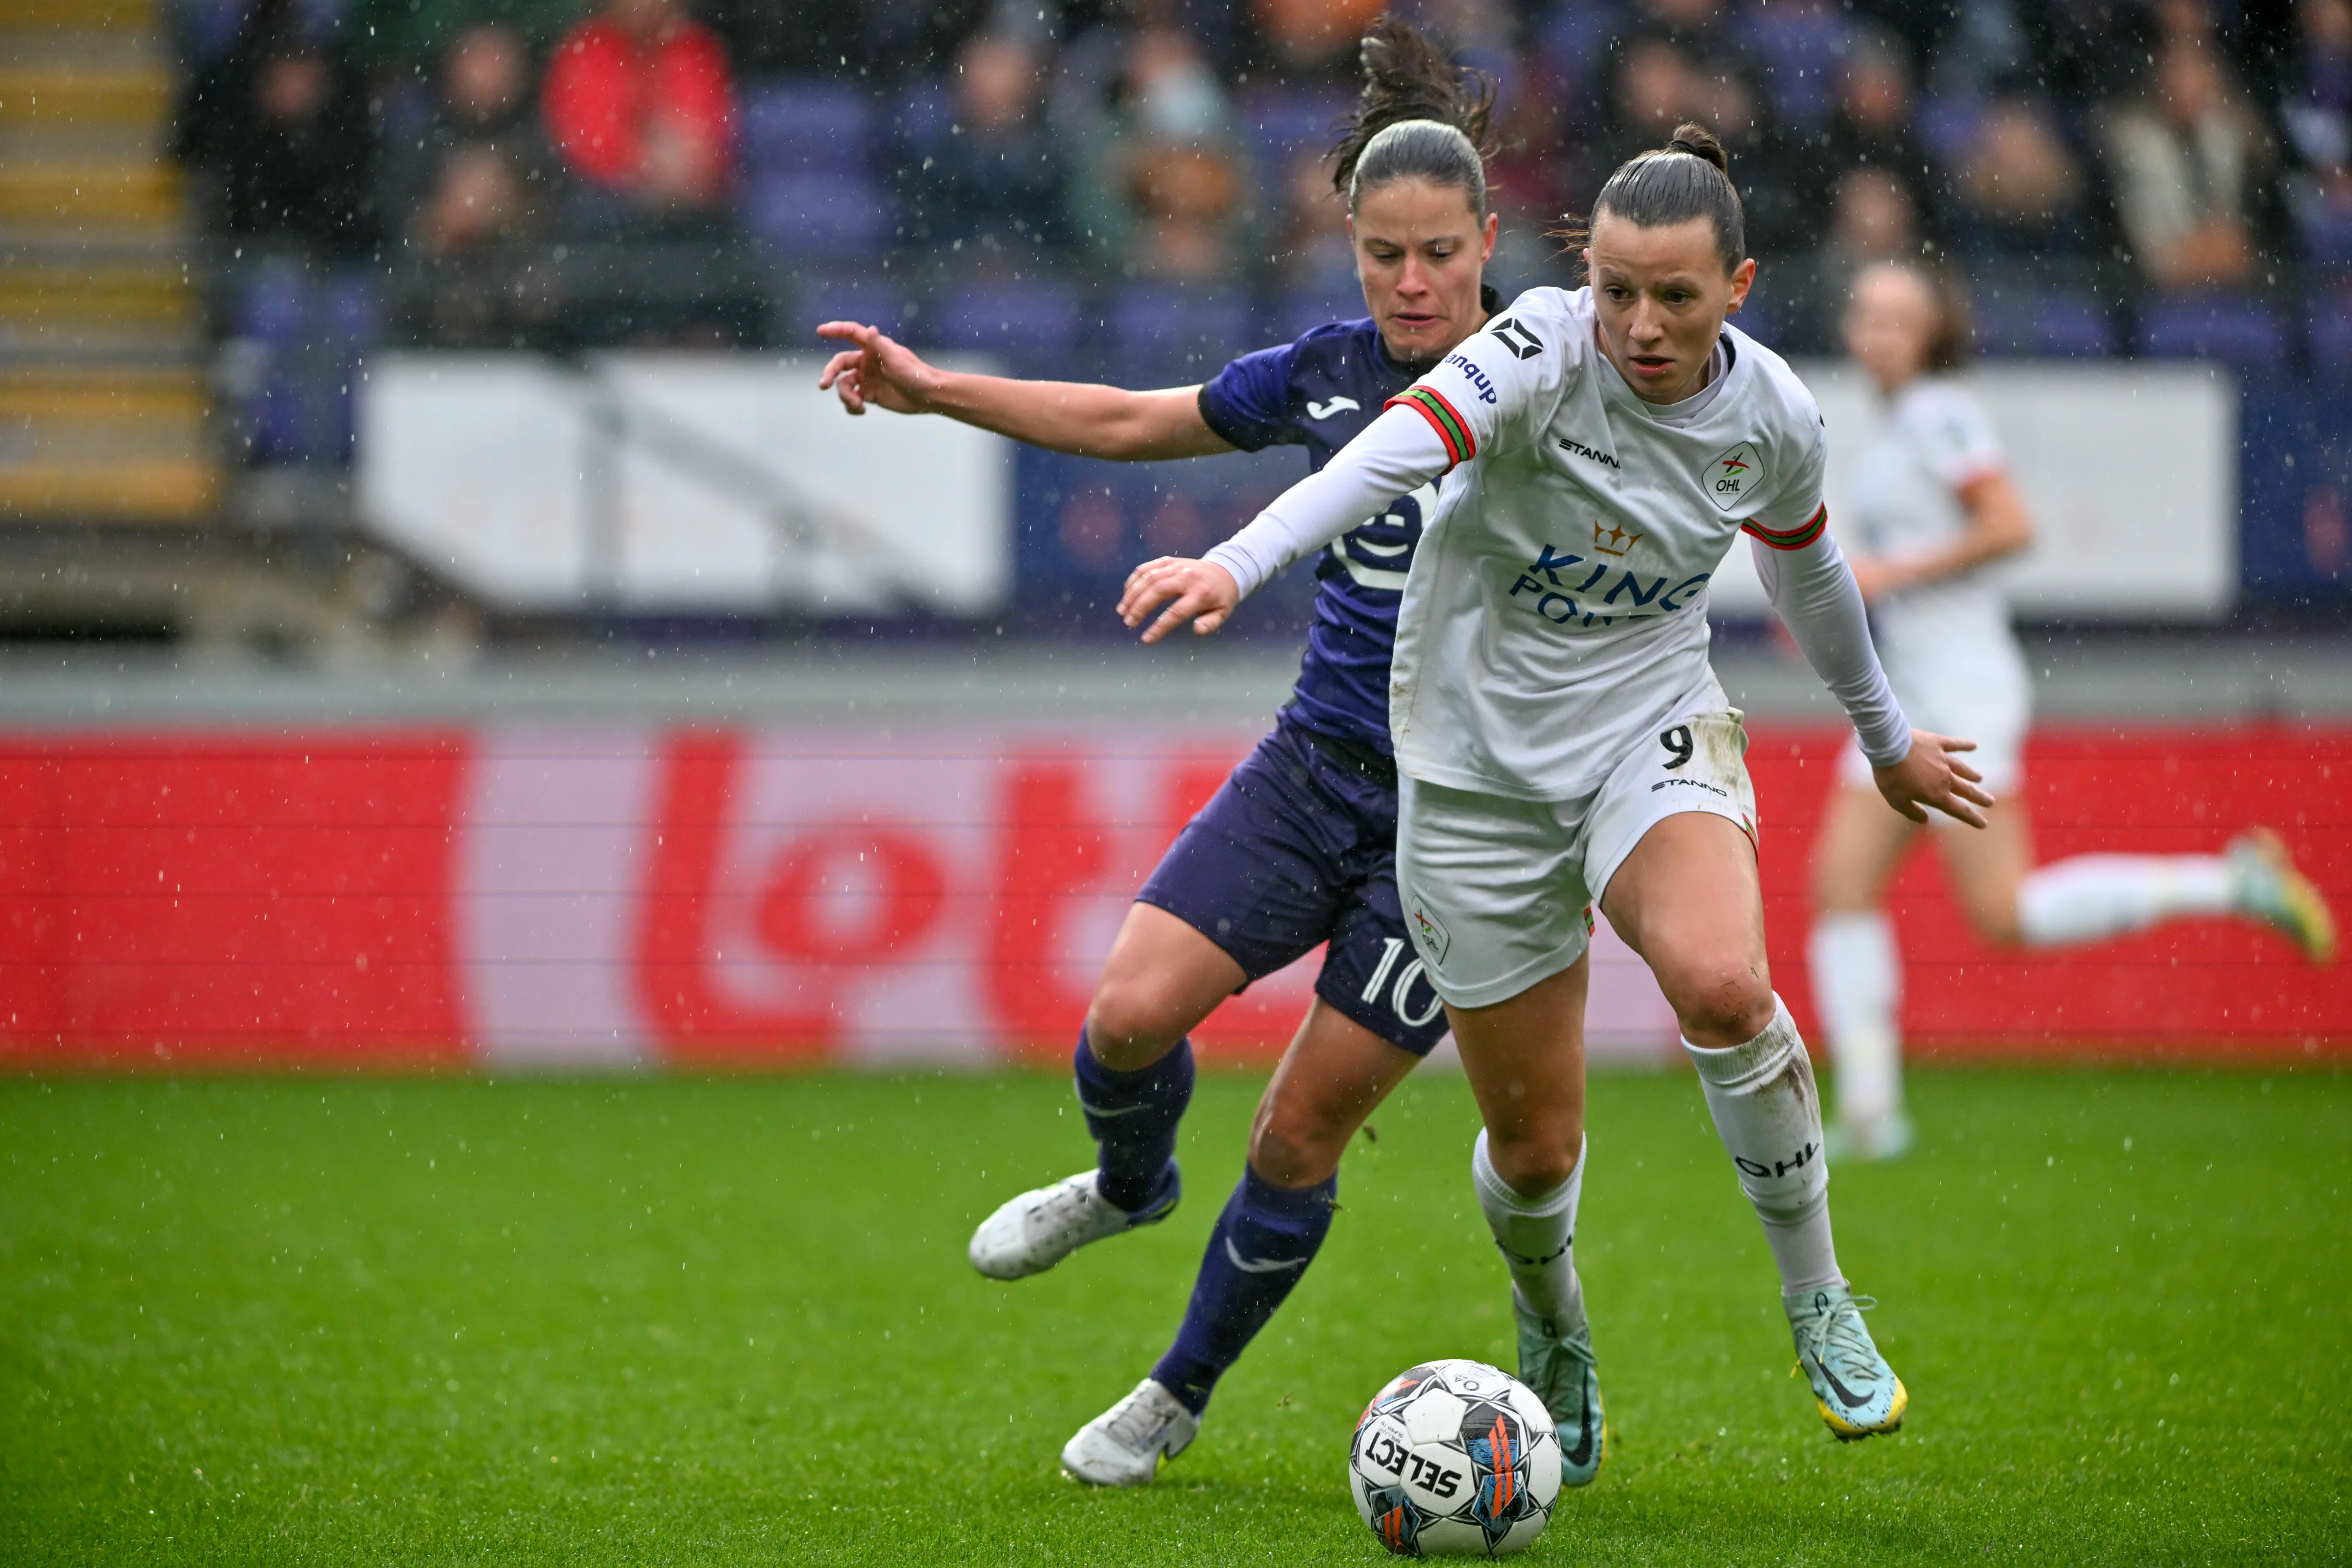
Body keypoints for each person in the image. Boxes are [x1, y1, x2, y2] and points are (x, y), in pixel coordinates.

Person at [1121, 123, 1987, 1444]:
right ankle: (1554, 1319)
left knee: (1722, 982)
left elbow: (1804, 571)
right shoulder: (1534, 345)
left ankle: (1818, 1295)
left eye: (1677, 298)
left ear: (1739, 290)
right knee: (1534, 1150)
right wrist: (1238, 562)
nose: (1640, 324)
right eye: (1620, 291)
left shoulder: (1777, 417)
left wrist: (1886, 735)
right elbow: (1385, 457)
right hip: (1468, 774)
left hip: (1648, 724)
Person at [816, 21, 1586, 1488]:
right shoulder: (1328, 373)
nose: (1413, 284)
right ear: (1348, 242)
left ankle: (1177, 1389)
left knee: (1299, 1128)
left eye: (1439, 253)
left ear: (1490, 239)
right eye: (1383, 254)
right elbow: (1127, 418)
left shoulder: (1558, 384)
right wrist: (938, 391)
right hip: (1316, 771)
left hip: (1466, 830)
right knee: (1124, 1017)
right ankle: (1127, 1180)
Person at [1805, 262, 2337, 1160]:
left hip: (1961, 696)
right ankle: (1867, 1114)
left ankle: (2234, 882)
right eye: (1865, 314)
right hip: (1910, 695)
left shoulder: (1940, 414)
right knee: (1839, 886)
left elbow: (2011, 525)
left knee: (2003, 913)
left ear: (1934, 335)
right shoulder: (1904, 424)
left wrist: (1889, 576)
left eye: (1899, 318)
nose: (1877, 331)